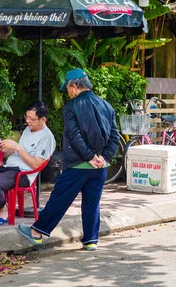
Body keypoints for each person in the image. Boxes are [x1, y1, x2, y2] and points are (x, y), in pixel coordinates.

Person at [17, 69, 120, 251]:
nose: (68, 92)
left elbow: (74, 135)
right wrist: (103, 158)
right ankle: (91, 240)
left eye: (68, 88)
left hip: (78, 164)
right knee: (92, 202)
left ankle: (37, 232)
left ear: (74, 85)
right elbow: (114, 137)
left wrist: (89, 157)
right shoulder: (106, 105)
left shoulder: (71, 106)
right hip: (100, 167)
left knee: (59, 198)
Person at [0, 101, 56, 227]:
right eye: (27, 117)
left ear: (43, 119)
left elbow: (36, 165)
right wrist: (7, 150)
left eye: (32, 119)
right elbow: (18, 153)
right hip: (8, 168)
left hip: (23, 174)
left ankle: (3, 210)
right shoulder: (28, 129)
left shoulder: (47, 137)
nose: (28, 121)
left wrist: (18, 148)